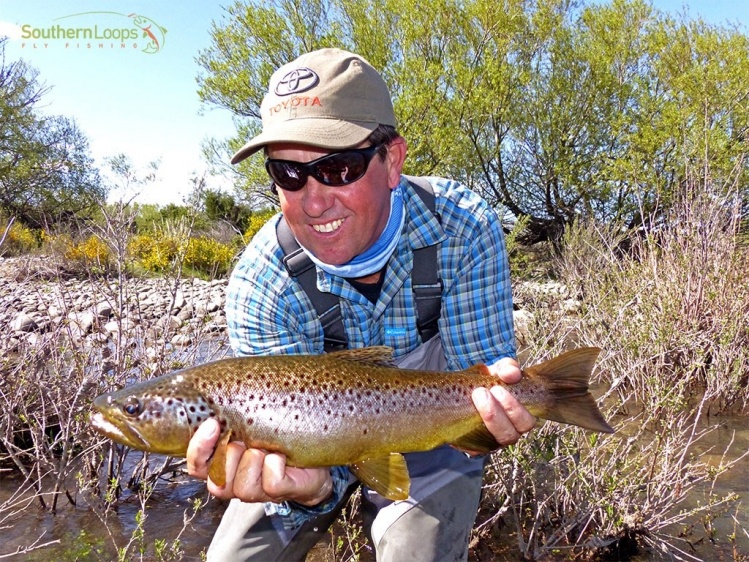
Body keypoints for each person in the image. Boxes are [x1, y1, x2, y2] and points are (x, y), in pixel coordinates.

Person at [186, 47, 536, 561]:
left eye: (339, 167)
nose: (313, 199)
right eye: (288, 173)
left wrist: (493, 419)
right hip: (297, 449)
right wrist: (313, 491)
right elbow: (299, 476)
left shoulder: (461, 227)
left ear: (391, 161)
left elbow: (475, 384)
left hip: (426, 437)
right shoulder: (261, 283)